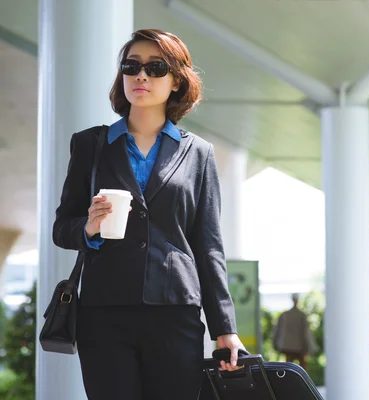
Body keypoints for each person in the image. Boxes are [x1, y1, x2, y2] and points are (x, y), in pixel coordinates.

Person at [52, 29, 244, 400]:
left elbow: (209, 246)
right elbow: (62, 228)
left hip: (175, 314)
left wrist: (225, 326)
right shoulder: (90, 145)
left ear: (176, 81)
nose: (141, 76)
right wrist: (89, 227)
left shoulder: (199, 153)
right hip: (103, 313)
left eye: (156, 68)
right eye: (132, 66)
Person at [272, 293, 317, 369]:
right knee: (301, 368)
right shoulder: (300, 315)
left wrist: (276, 343)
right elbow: (306, 333)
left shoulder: (286, 315)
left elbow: (276, 331)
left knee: (289, 367)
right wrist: (309, 347)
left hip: (288, 347)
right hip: (299, 348)